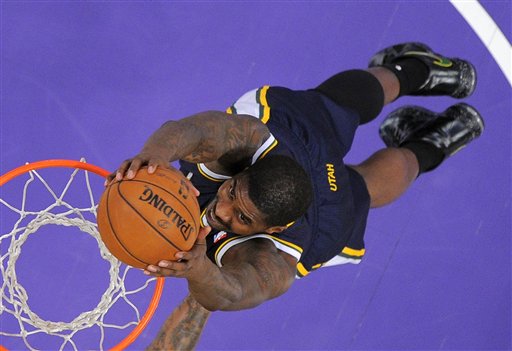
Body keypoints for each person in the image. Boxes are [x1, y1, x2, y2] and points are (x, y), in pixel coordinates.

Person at [108, 42, 484, 350]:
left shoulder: (275, 256)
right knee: (341, 103)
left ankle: (438, 138)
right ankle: (421, 74)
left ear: (274, 228)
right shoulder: (248, 142)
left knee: (364, 187)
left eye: (242, 218)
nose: (221, 211)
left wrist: (201, 269)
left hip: (325, 212)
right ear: (245, 170)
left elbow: (236, 292)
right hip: (302, 134)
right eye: (232, 193)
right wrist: (156, 154)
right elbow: (191, 130)